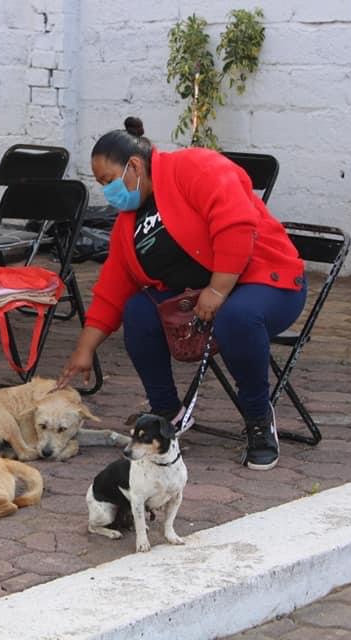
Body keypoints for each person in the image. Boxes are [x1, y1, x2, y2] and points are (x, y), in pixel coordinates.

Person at [57, 117, 306, 471]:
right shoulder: (129, 219)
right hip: (196, 299)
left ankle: (258, 420)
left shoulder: (195, 167)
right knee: (138, 312)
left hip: (267, 282)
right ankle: (167, 413)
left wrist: (218, 290)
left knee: (238, 317)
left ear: (135, 165)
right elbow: (113, 285)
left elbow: (235, 225)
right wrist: (85, 349)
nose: (107, 193)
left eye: (109, 181)